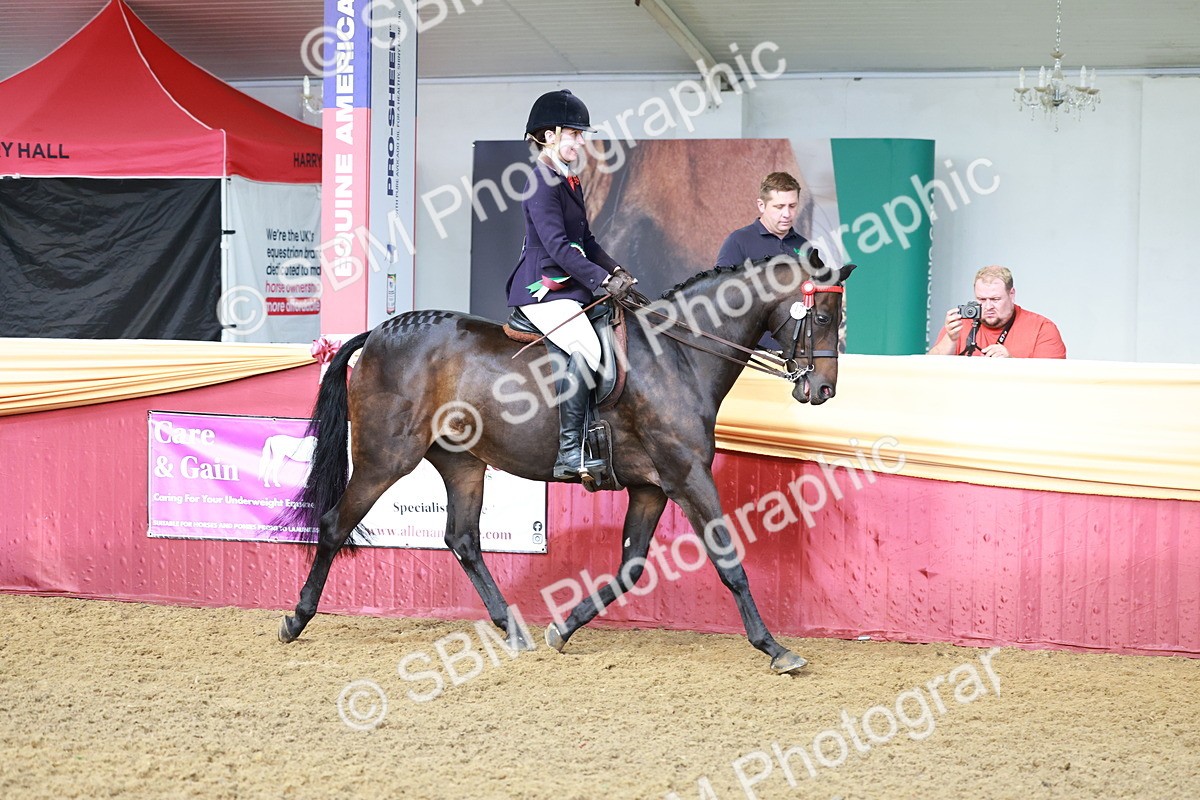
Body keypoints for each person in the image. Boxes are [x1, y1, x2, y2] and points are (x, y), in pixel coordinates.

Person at [505, 89, 638, 479]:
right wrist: (600, 280)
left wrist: (616, 273)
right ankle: (568, 453)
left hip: (569, 289)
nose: (581, 141)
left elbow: (588, 241)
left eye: (582, 134)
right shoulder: (540, 181)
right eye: (574, 134)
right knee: (587, 346)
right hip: (543, 290)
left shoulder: (569, 180)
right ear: (549, 135)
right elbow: (559, 247)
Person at [928, 265, 1066, 358]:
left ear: (1011, 294)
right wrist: (951, 340)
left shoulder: (1042, 328)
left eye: (995, 299)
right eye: (981, 299)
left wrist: (1011, 363)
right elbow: (928, 371)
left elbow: (1052, 384)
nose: (988, 306)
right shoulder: (961, 324)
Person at [715, 171, 810, 267]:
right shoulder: (738, 242)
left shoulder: (804, 246)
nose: (787, 214)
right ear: (761, 205)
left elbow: (819, 280)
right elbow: (721, 282)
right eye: (779, 207)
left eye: (792, 206)